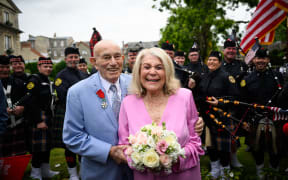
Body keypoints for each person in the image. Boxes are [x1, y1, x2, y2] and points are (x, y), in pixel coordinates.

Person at [63, 40, 205, 180]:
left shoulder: (137, 82)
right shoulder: (77, 92)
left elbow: (178, 112)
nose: (113, 62)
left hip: (139, 174)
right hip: (102, 171)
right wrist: (108, 151)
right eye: (106, 57)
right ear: (94, 61)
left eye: (117, 57)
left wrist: (194, 122)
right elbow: (72, 137)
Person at [118, 47, 204, 180]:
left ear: (168, 72)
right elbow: (124, 145)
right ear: (138, 72)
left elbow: (195, 143)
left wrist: (174, 157)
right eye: (146, 67)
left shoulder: (185, 97)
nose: (152, 72)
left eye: (159, 67)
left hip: (183, 175)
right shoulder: (128, 103)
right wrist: (140, 159)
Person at [240, 48, 284, 179]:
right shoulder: (247, 79)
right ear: (253, 60)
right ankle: (260, 173)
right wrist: (245, 121)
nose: (261, 61)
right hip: (255, 118)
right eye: (258, 58)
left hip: (275, 118)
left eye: (263, 58)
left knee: (275, 148)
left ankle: (274, 172)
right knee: (256, 148)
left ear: (268, 60)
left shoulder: (277, 76)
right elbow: (244, 101)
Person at [197, 51, 240, 179]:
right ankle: (215, 169)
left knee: (223, 148)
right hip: (207, 117)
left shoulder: (226, 77)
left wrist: (220, 103)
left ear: (220, 62)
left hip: (222, 117)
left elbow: (235, 97)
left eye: (214, 60)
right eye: (209, 60)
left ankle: (225, 172)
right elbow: (200, 94)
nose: (211, 62)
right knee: (210, 145)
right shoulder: (205, 76)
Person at [53, 47, 86, 180]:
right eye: (70, 57)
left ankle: (84, 171)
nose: (73, 60)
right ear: (66, 59)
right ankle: (73, 174)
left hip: (85, 114)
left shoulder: (84, 74)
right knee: (70, 145)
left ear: (78, 58)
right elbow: (63, 96)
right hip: (68, 114)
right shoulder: (60, 76)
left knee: (84, 143)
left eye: (75, 57)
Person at [24, 57, 59, 179]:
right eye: (45, 66)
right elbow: (30, 102)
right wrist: (38, 121)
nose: (48, 69)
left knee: (46, 147)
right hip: (38, 117)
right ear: (39, 67)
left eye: (50, 66)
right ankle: (35, 173)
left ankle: (46, 171)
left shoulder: (47, 80)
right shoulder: (34, 80)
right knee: (38, 149)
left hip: (48, 116)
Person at [0, 55, 27, 157]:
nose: (5, 70)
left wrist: (23, 108)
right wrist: (3, 111)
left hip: (17, 124)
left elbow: (27, 100)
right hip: (1, 125)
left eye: (7, 67)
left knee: (17, 155)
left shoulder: (18, 83)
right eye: (2, 67)